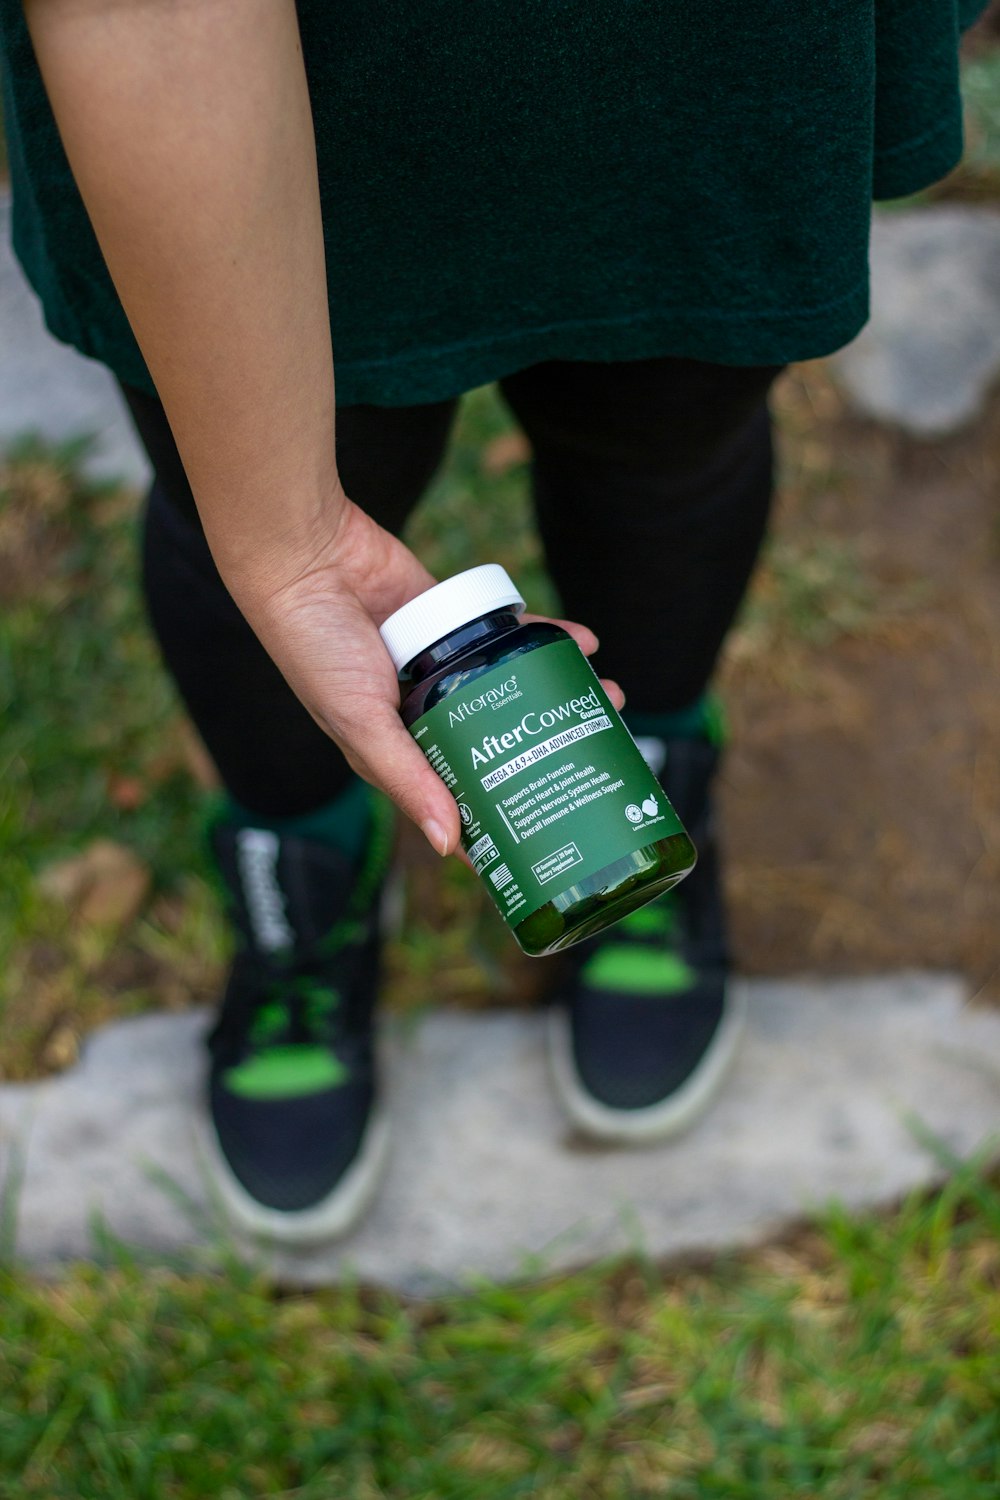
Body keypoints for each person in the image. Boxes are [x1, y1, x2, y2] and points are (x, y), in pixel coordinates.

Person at [0, 0, 984, 1244]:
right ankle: (299, 874)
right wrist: (284, 536)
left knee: (668, 446)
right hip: (293, 73)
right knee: (239, 511)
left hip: (714, 53)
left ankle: (643, 789)